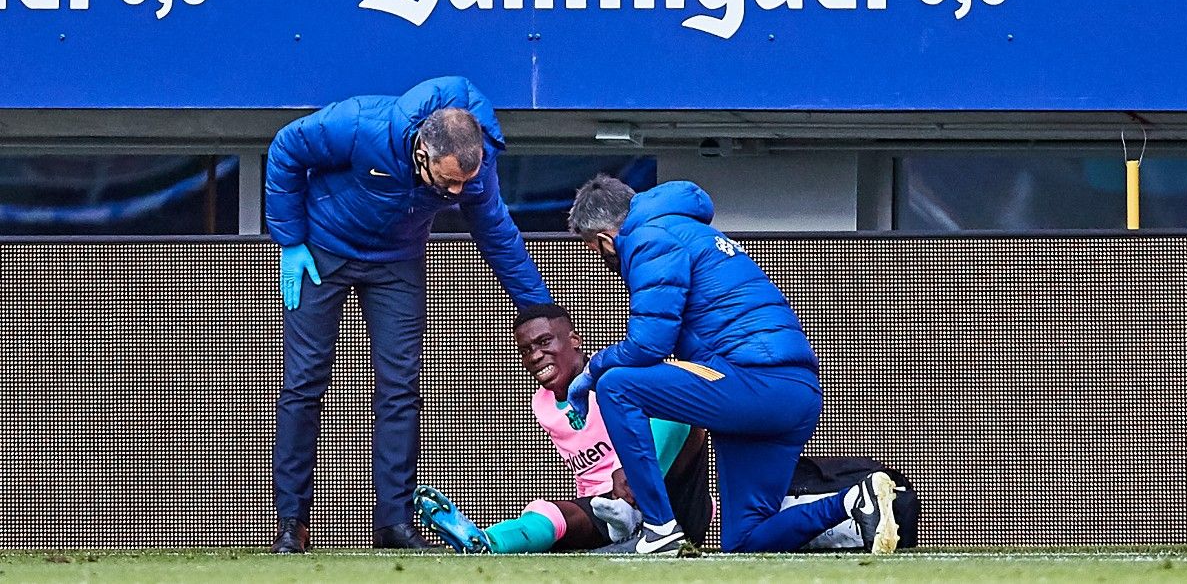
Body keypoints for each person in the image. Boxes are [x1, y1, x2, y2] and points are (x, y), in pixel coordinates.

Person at [264, 76, 551, 553]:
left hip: (397, 262)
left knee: (400, 387)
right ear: (421, 153)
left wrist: (538, 308)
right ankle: (292, 523)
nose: (458, 190)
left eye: (466, 180)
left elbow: (496, 233)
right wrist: (290, 240)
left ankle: (393, 524)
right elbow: (287, 148)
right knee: (304, 381)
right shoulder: (361, 124)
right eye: (448, 181)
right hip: (321, 249)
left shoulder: (475, 170)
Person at [565, 175, 899, 555]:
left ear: (606, 236)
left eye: (594, 248)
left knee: (617, 386)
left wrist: (592, 370)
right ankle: (854, 500)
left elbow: (648, 344)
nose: (601, 258)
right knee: (745, 541)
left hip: (753, 383)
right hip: (792, 394)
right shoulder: (689, 230)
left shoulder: (648, 236)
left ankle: (659, 529)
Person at [413, 304, 712, 553]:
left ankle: (642, 513)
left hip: (670, 503)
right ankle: (486, 541)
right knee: (549, 511)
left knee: (675, 413)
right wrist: (597, 508)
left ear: (574, 340)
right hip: (609, 513)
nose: (535, 356)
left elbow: (675, 413)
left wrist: (629, 468)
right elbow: (586, 476)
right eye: (526, 350)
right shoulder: (541, 405)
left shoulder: (613, 376)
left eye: (544, 342)